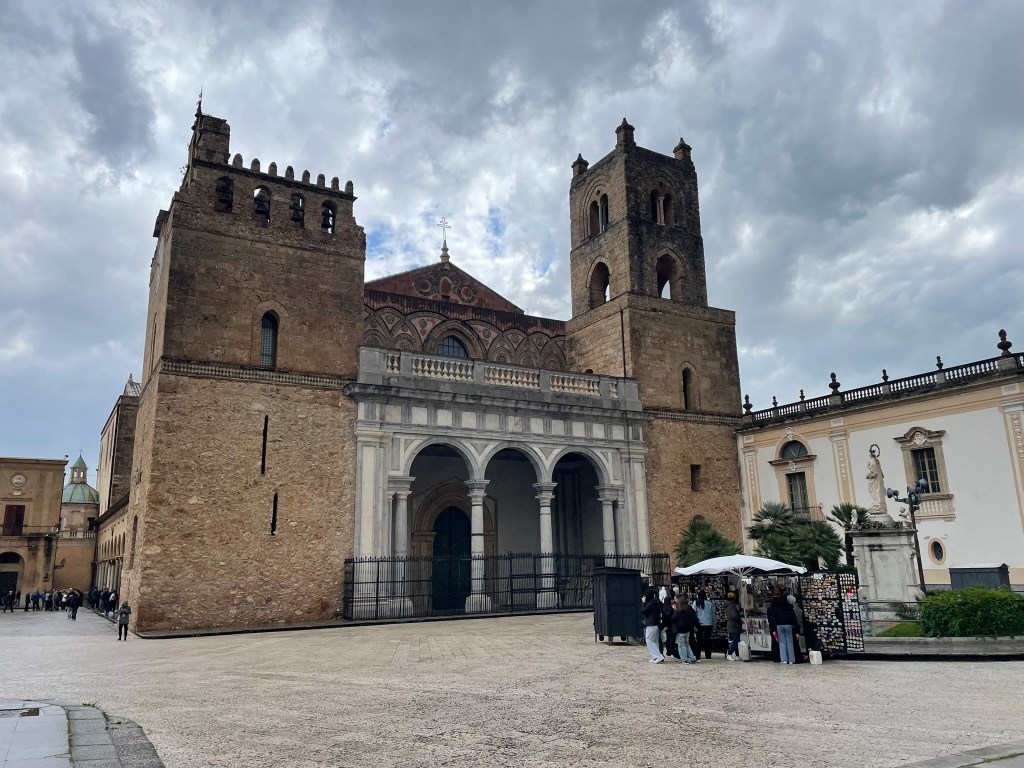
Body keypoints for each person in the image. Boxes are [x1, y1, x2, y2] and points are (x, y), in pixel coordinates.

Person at [768, 593, 799, 665]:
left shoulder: (776, 609)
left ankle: (784, 660)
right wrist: (797, 631)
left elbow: (774, 620)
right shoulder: (790, 609)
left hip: (779, 626)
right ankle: (791, 660)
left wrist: (773, 629)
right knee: (790, 642)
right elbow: (794, 620)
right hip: (788, 625)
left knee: (782, 643)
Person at [672, 597, 699, 664]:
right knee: (687, 644)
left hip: (680, 629)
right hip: (688, 629)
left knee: (681, 645)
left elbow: (673, 618)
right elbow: (694, 618)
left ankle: (684, 659)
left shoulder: (678, 610)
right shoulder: (689, 609)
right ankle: (692, 657)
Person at [641, 589, 665, 663]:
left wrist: (643, 603)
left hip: (651, 624)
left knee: (649, 641)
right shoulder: (656, 602)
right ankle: (656, 656)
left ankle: (657, 656)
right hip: (656, 624)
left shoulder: (650, 604)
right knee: (655, 641)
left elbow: (643, 611)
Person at [693, 589, 716, 660]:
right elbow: (713, 614)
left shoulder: (696, 603)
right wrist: (714, 624)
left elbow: (693, 614)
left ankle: (698, 655)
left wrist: (694, 624)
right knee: (707, 639)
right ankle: (708, 655)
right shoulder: (710, 603)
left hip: (699, 623)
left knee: (699, 640)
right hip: (708, 623)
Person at [725, 592, 743, 661]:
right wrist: (740, 620)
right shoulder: (732, 607)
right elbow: (735, 616)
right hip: (734, 626)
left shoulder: (727, 606)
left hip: (730, 626)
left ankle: (737, 655)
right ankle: (729, 653)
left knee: (734, 641)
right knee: (736, 641)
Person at [787, 594, 804, 663]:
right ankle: (798, 657)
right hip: (798, 626)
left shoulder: (792, 609)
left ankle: (794, 657)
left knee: (793, 642)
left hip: (793, 627)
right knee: (796, 642)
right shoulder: (799, 609)